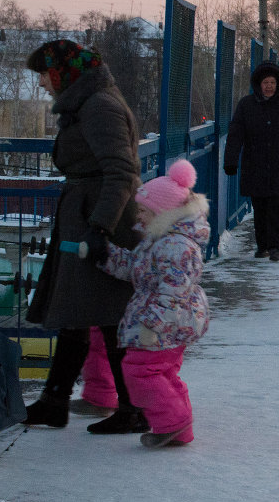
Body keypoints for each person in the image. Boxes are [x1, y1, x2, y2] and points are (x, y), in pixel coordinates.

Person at [21, 39, 149, 435]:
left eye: (44, 74)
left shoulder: (99, 107)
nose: (41, 83)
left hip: (99, 222)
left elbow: (122, 172)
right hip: (85, 217)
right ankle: (55, 401)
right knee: (77, 313)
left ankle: (134, 408)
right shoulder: (88, 103)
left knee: (110, 318)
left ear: (61, 74)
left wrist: (100, 229)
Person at [89, 158, 210, 448]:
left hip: (164, 324)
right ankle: (179, 429)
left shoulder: (176, 246)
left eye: (142, 210)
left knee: (139, 370)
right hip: (168, 323)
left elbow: (173, 292)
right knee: (163, 373)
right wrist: (105, 255)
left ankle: (173, 421)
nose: (138, 217)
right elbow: (136, 267)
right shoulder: (160, 240)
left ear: (162, 211)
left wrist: (150, 326)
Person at [223, 61, 279, 262]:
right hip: (256, 167)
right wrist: (231, 161)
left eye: (272, 82)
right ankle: (262, 246)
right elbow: (236, 135)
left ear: (278, 84)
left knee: (278, 208)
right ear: (258, 85)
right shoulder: (246, 105)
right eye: (265, 82)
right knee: (260, 208)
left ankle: (276, 247)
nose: (269, 86)